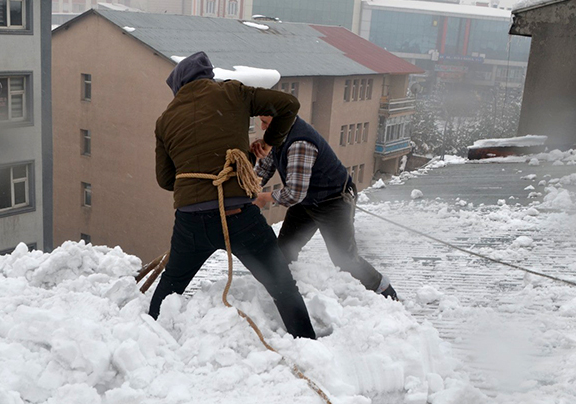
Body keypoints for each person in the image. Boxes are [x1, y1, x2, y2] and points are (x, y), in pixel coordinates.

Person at [150, 52, 317, 339]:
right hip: (238, 217)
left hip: (190, 223)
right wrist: (268, 143)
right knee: (282, 286)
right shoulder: (232, 92)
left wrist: (196, 174)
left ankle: (147, 335)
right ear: (208, 76)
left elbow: (166, 180)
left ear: (178, 85)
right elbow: (289, 105)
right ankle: (307, 344)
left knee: (171, 285)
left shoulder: (165, 119)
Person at [251, 115, 399, 300]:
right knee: (285, 250)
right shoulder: (278, 135)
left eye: (266, 123)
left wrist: (264, 198)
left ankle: (385, 292)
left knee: (344, 259)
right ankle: (285, 292)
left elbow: (294, 194)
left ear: (281, 121)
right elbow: (263, 170)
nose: (262, 128)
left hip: (333, 201)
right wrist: (247, 190)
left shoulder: (300, 143)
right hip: (306, 200)